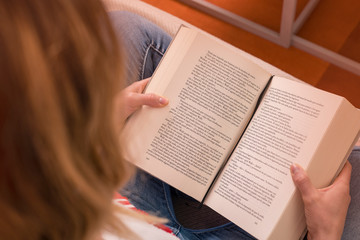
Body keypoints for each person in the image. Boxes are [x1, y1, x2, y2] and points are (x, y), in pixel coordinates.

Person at [0, 1, 358, 240]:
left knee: (122, 29)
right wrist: (324, 233)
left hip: (151, 203)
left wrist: (95, 136)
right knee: (350, 172)